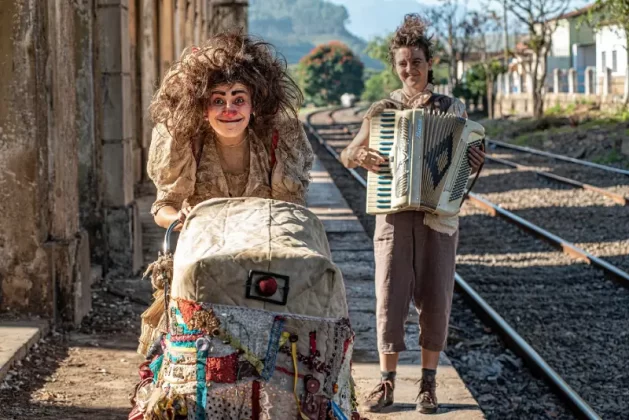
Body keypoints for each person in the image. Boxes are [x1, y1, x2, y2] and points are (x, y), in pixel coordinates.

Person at [340, 14, 485, 414]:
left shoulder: (452, 108)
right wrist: (361, 155)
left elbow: (464, 161)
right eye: (403, 63)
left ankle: (427, 385)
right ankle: (386, 385)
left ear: (428, 64)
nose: (410, 70)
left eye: (416, 62)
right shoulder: (382, 110)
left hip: (438, 216)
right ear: (395, 66)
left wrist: (474, 159)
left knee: (436, 299)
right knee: (389, 297)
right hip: (392, 214)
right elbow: (348, 153)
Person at [147, 30, 313, 230]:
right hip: (204, 245)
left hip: (266, 244)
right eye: (218, 100)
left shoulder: (280, 137)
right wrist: (178, 220)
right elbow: (164, 206)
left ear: (254, 105)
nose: (229, 110)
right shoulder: (183, 139)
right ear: (202, 108)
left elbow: (290, 206)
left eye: (239, 100)